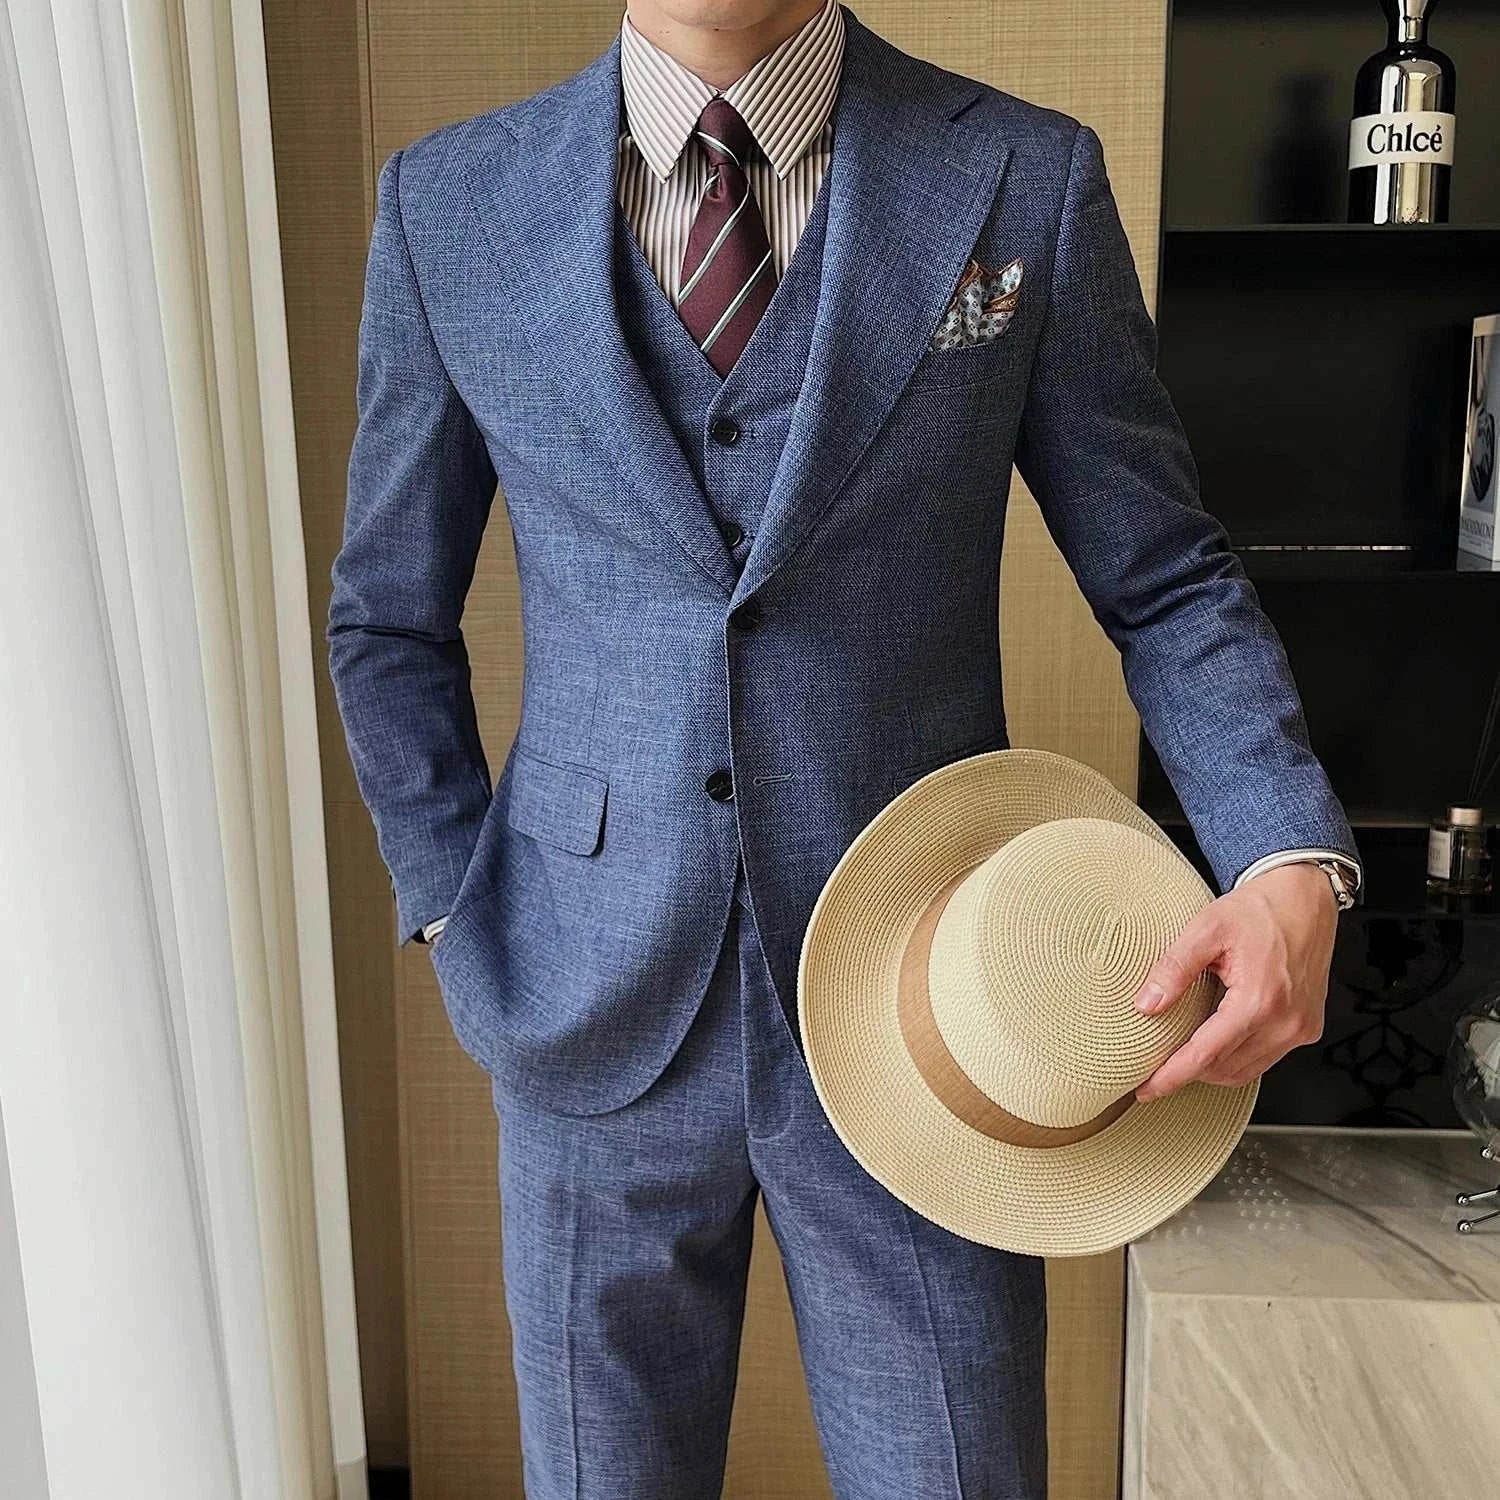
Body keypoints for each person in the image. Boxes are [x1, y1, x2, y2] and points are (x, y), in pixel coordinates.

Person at [326, 3, 1362, 1495]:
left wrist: (1284, 849)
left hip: (928, 1001)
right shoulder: (451, 204)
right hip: (579, 989)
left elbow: (1165, 575)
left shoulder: (1021, 176)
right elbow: (385, 621)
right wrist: (454, 901)